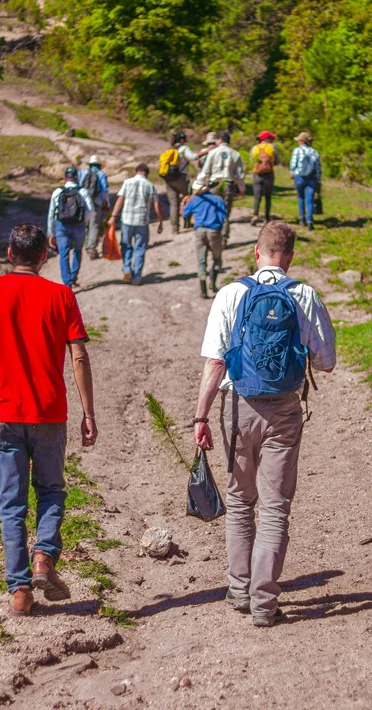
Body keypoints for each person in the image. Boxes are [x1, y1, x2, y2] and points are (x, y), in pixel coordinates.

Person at [0, 223, 99, 617]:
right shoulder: (61, 295)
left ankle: (19, 591)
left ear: (9, 254)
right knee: (51, 491)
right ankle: (44, 557)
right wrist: (88, 412)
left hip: (2, 415)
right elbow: (79, 356)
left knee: (10, 506)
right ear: (44, 257)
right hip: (49, 414)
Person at [192, 221, 337, 627]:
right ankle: (263, 605)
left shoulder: (231, 293)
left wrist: (201, 416)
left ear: (256, 252)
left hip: (237, 408)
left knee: (240, 501)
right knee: (275, 510)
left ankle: (238, 590)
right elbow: (326, 362)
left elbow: (214, 362)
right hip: (285, 411)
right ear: (289, 257)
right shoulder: (304, 295)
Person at [110, 163, 164, 285]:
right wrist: (160, 221)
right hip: (142, 221)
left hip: (127, 220)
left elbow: (120, 199)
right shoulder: (150, 185)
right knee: (140, 248)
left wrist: (113, 216)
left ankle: (127, 268)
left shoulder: (127, 182)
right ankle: (137, 277)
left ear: (136, 171)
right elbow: (156, 205)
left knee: (126, 245)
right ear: (147, 173)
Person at [46, 167, 95, 289]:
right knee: (78, 251)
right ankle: (73, 277)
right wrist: (85, 223)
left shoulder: (57, 192)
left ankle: (67, 283)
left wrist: (50, 232)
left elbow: (52, 213)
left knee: (64, 253)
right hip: (79, 226)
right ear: (77, 179)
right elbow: (91, 211)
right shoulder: (83, 191)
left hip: (62, 226)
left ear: (64, 179)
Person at [191, 131, 244, 240]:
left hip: (214, 185)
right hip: (228, 184)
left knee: (214, 210)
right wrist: (241, 188)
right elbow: (239, 175)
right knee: (225, 212)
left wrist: (198, 185)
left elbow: (205, 171)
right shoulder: (235, 154)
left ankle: (214, 237)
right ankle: (224, 238)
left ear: (219, 140)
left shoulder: (213, 153)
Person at [183, 182, 228, 299]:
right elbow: (224, 217)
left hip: (200, 231)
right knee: (217, 258)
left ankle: (203, 291)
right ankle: (213, 284)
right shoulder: (218, 199)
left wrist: (184, 202)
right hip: (214, 231)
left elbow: (184, 213)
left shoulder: (195, 200)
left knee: (201, 260)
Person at [161, 131, 207, 234]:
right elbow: (193, 157)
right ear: (182, 140)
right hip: (180, 178)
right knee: (189, 197)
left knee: (173, 204)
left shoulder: (170, 149)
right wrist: (206, 151)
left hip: (169, 179)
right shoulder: (183, 149)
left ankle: (175, 228)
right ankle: (187, 221)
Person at [289, 132, 322, 230]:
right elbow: (318, 168)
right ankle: (310, 220)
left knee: (301, 197)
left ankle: (301, 218)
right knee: (310, 199)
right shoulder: (314, 152)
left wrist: (292, 172)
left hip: (300, 177)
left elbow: (293, 164)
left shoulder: (297, 151)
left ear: (301, 141)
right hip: (312, 178)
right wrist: (319, 181)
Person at [79, 155, 110, 259]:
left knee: (85, 225)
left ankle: (85, 244)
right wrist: (106, 204)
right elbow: (104, 191)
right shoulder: (101, 174)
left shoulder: (82, 173)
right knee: (94, 225)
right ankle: (91, 249)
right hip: (96, 204)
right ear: (99, 165)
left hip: (82, 203)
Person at [249, 131, 280, 225]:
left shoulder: (254, 148)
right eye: (270, 138)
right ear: (267, 138)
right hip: (269, 174)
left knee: (257, 196)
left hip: (257, 173)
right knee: (268, 196)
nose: (271, 140)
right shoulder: (272, 147)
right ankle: (266, 217)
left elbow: (251, 160)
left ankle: (255, 215)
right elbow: (277, 161)